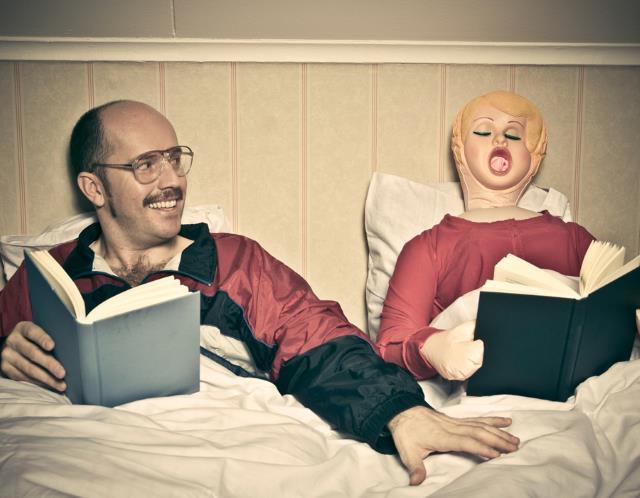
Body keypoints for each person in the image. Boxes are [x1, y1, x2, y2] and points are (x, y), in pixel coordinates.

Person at [0, 100, 518, 486]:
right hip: (84, 454)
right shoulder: (47, 275)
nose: (172, 180)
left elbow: (317, 338)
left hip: (218, 443)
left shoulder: (232, 261)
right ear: (94, 188)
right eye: (146, 165)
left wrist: (399, 411)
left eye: (175, 159)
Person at [377, 90, 596, 381]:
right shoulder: (428, 247)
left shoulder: (575, 239)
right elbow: (391, 344)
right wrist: (432, 348)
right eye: (483, 131)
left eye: (514, 135)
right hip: (480, 388)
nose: (500, 140)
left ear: (534, 156)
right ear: (460, 148)